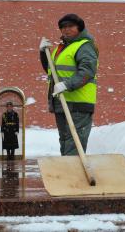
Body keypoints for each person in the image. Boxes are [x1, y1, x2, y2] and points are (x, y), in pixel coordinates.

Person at [39, 14, 99, 156]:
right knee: (65, 141)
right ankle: (68, 172)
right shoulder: (62, 48)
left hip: (78, 103)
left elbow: (87, 71)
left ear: (79, 28)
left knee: (74, 142)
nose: (66, 30)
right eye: (63, 27)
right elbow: (52, 71)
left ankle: (75, 175)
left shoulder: (84, 46)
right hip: (61, 102)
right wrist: (43, 53)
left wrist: (67, 85)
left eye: (70, 26)